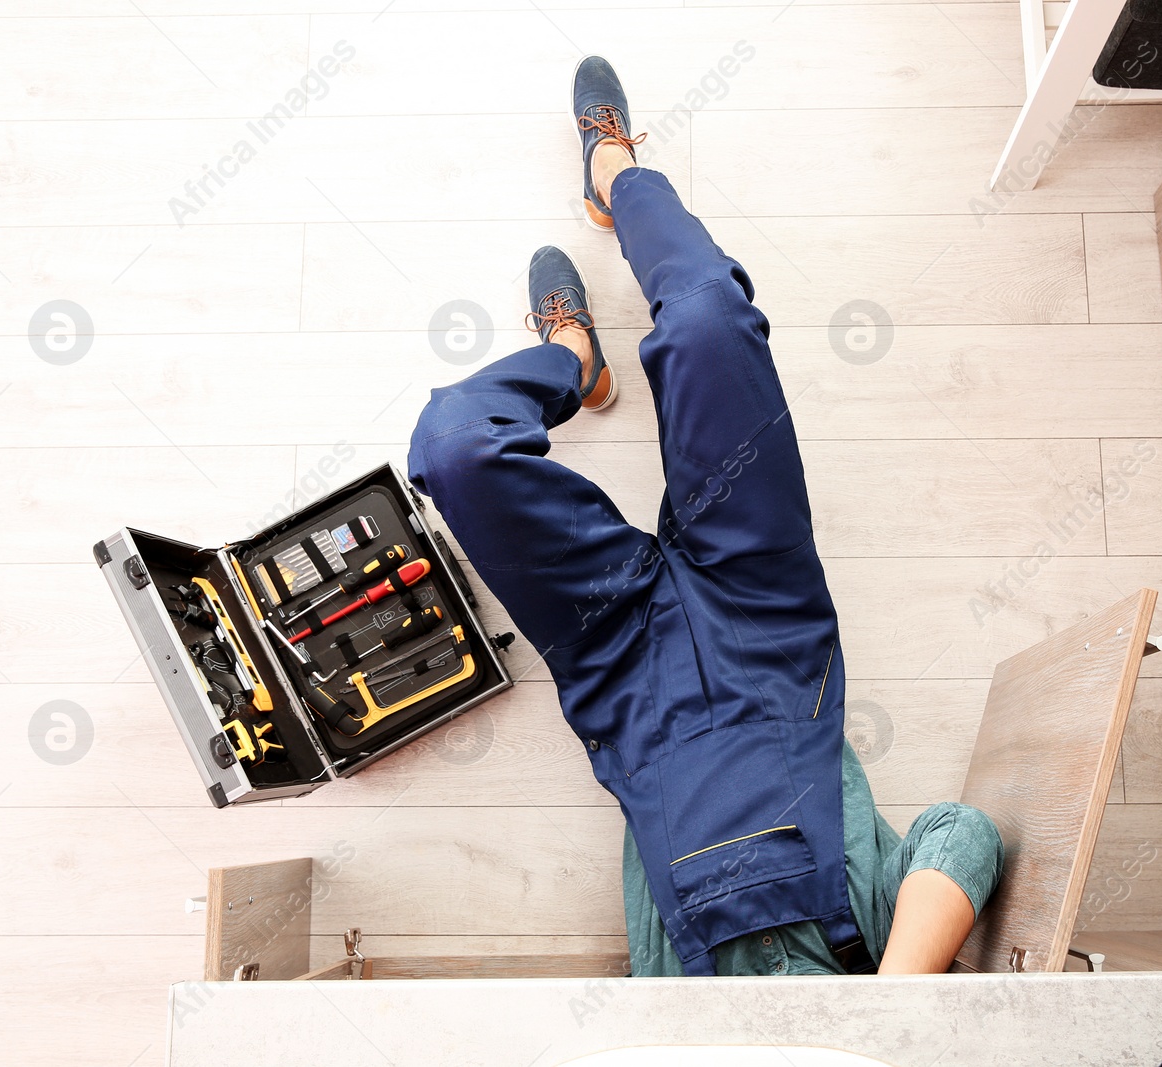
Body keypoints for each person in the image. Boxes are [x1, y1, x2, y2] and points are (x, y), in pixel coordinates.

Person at [408, 56, 1003, 977]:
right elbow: (961, 833)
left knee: (455, 449)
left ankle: (570, 357)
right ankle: (613, 171)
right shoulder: (885, 955)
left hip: (623, 664)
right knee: (710, 326)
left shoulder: (674, 1003)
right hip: (764, 618)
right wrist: (896, 1008)